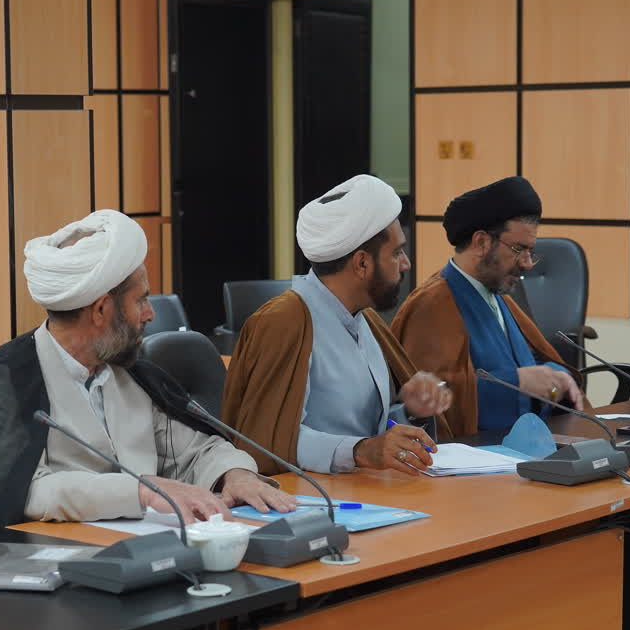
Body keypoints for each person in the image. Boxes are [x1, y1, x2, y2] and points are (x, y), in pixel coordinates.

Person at [0, 209, 295, 535]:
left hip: (152, 548)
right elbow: (21, 489)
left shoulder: (132, 374)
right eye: (141, 300)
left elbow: (194, 451)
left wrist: (234, 474)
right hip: (56, 558)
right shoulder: (7, 379)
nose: (150, 314)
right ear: (101, 310)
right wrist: (140, 491)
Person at [222, 174, 452, 475]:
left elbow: (370, 429)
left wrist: (411, 408)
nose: (406, 263)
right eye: (397, 252)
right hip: (309, 496)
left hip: (372, 490)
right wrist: (359, 451)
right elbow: (264, 442)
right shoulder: (284, 321)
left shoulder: (367, 320)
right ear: (362, 263)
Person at [391, 176, 584, 438]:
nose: (527, 263)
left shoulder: (499, 296)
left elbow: (534, 363)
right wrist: (517, 383)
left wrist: (558, 377)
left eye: (530, 251)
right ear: (481, 242)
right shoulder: (432, 304)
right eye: (518, 249)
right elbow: (432, 402)